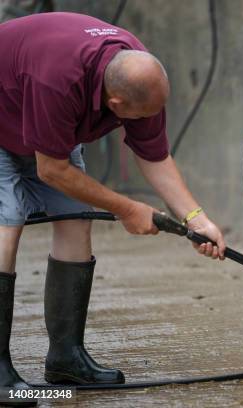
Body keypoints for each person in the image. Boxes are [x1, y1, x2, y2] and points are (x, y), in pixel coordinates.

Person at [0, 11, 226, 404]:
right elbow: (51, 169)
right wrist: (127, 209)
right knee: (6, 225)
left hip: (47, 125)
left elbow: (154, 155)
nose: (147, 121)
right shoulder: (58, 78)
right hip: (7, 112)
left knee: (76, 220)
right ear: (115, 103)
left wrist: (197, 218)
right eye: (138, 116)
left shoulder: (139, 73)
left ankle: (66, 358)